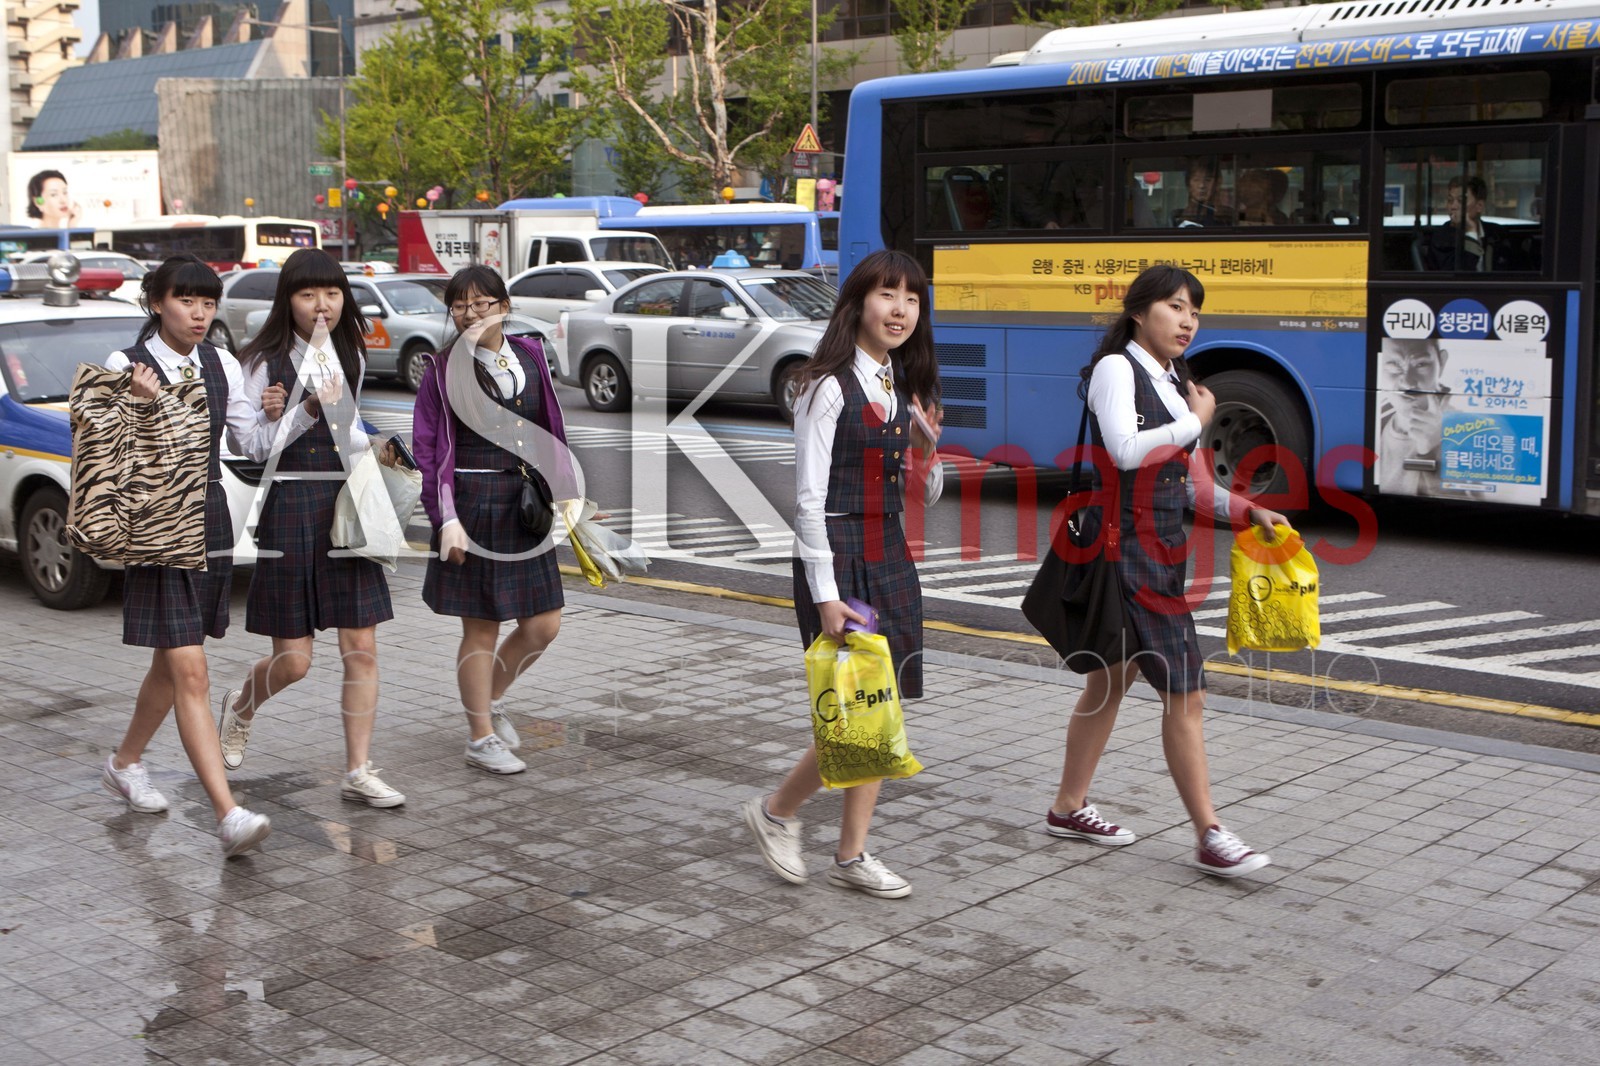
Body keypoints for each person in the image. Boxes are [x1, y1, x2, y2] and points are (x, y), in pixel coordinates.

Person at [1046, 264, 1289, 878]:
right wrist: (1197, 421)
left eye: (1195, 311)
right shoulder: (1116, 370)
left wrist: (1249, 510)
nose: (1187, 321)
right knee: (1186, 692)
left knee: (1109, 684)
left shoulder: (1179, 383)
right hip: (1125, 553)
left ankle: (1068, 806)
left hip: (1159, 553)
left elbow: (1192, 488)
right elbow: (1126, 450)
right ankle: (1210, 833)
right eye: (1175, 307)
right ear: (1138, 312)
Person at [741, 249, 944, 900]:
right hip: (840, 551)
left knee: (880, 704)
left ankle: (849, 853)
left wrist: (927, 452)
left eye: (911, 299)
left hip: (888, 548)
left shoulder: (897, 385)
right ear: (856, 303)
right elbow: (807, 501)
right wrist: (826, 595)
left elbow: (924, 490)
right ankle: (778, 812)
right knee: (857, 707)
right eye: (887, 295)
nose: (900, 310)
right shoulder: (825, 386)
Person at [100, 255, 276, 857]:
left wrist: (290, 413)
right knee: (192, 670)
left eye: (208, 302)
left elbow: (249, 443)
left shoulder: (221, 362)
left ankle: (125, 762)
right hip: (156, 523)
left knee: (171, 663)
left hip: (209, 515)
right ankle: (229, 814)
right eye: (186, 300)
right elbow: (103, 454)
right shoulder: (125, 364)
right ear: (156, 303)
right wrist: (136, 409)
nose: (199, 313)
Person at [217, 248, 405, 808]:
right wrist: (299, 413)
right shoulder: (261, 361)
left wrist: (374, 444)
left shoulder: (349, 352)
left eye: (332, 293)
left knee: (361, 648)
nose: (322, 305)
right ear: (288, 301)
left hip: (345, 503)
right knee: (294, 661)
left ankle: (358, 771)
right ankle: (242, 704)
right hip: (291, 505)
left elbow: (346, 431)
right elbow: (250, 447)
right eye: (307, 294)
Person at [412, 266, 578, 775]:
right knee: (482, 628)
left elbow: (551, 426)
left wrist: (570, 494)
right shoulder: (443, 369)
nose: (470, 314)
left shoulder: (530, 354)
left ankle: (490, 698)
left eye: (481, 304)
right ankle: (480, 737)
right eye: (460, 306)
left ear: (504, 306)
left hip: (525, 502)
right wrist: (445, 517)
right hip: (473, 502)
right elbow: (428, 450)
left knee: (544, 624)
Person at [1376, 337, 1460, 497]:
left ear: (1442, 363)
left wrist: (1432, 451)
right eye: (1393, 367)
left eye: (1421, 364)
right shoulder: (1373, 418)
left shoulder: (1469, 429)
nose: (1408, 383)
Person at [1423, 175, 1502, 271]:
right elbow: (1458, 275)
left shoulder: (1496, 233)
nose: (1453, 206)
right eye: (1450, 200)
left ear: (1479, 206)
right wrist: (1471, 233)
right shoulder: (1441, 237)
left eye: (1461, 201)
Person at [1173, 157, 1230, 227]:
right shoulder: (1186, 217)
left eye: (1208, 180)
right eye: (1196, 180)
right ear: (1188, 185)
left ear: (1216, 184)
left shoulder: (1226, 214)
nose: (1202, 185)